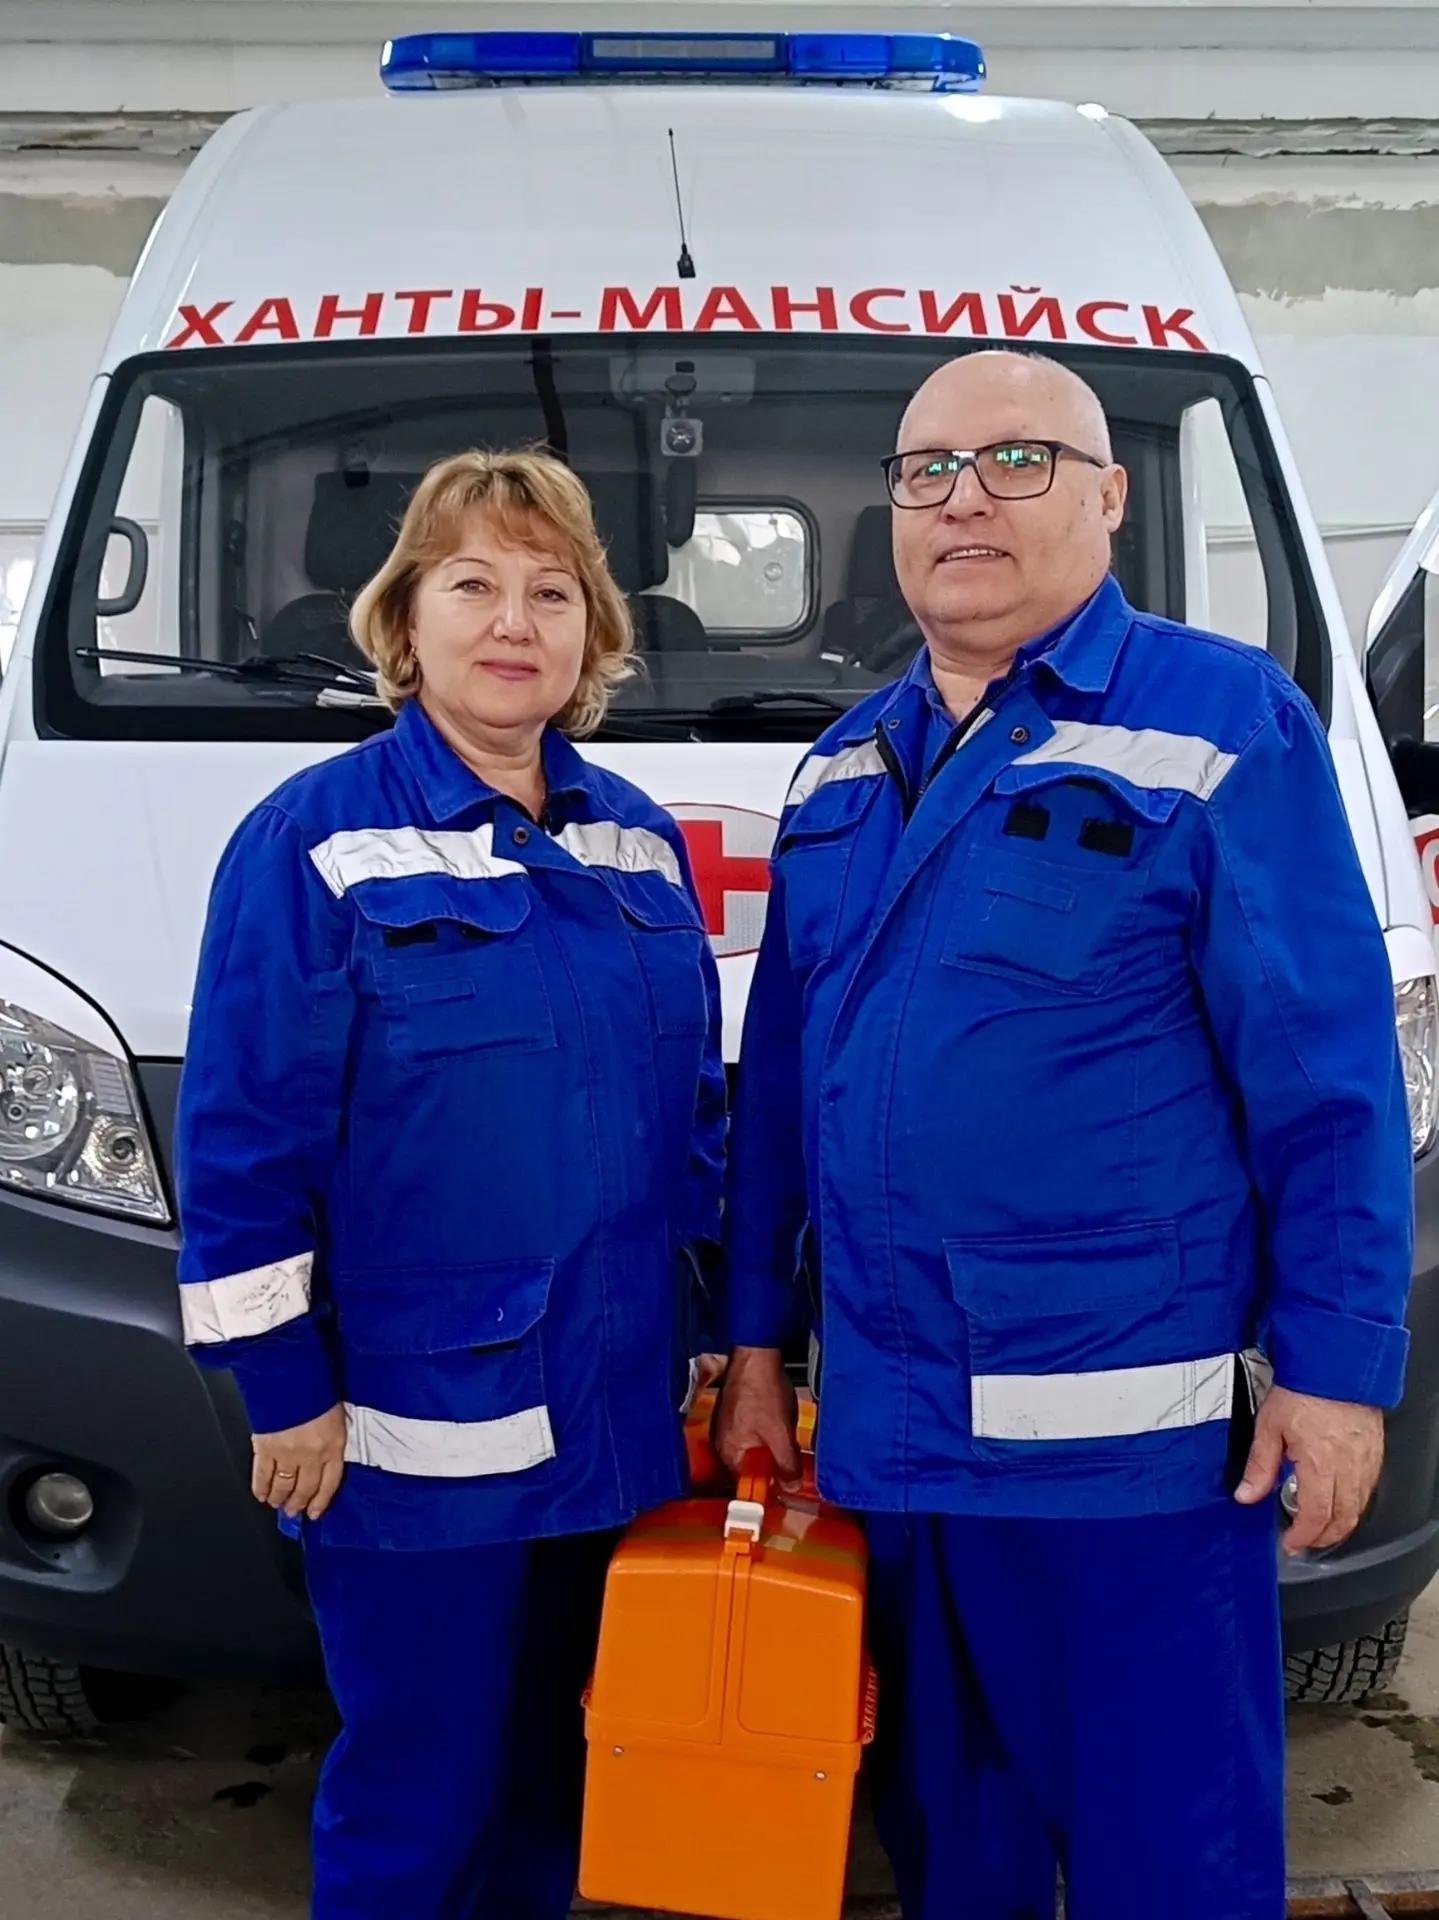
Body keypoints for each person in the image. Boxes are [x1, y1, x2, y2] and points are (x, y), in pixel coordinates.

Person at [716, 350, 1412, 1920]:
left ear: (1107, 500)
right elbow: (779, 1095)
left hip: (1122, 1462)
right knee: (948, 1855)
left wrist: (1335, 1373)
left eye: (1015, 461)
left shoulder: (1219, 719)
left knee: (1165, 1861)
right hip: (893, 1449)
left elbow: (1322, 1077)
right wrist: (753, 1341)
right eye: (925, 471)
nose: (962, 500)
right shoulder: (840, 770)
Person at [174, 449, 726, 1920]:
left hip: (614, 1413)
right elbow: (242, 1142)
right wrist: (282, 1388)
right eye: (472, 584)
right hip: (416, 1436)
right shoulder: (315, 839)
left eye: (553, 591)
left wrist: (716, 1331)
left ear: (595, 635)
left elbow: (695, 1117)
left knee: (555, 1773)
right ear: (404, 622)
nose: (514, 622)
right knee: (420, 1786)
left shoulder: (635, 840)